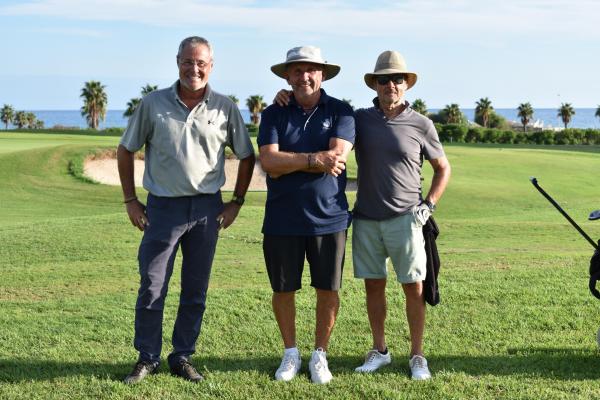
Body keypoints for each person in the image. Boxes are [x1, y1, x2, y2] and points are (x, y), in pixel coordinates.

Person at [117, 36, 255, 384]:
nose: (194, 69)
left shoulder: (225, 107)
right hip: (162, 209)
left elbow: (246, 154)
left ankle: (182, 356)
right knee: (152, 285)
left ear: (211, 65)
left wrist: (236, 202)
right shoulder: (153, 103)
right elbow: (125, 149)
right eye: (188, 62)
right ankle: (147, 357)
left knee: (195, 289)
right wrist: (131, 200)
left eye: (201, 63)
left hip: (207, 210)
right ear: (178, 61)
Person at [257, 46, 355, 384]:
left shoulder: (341, 111)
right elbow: (269, 162)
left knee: (328, 290)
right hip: (282, 218)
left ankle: (319, 355)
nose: (304, 76)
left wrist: (291, 162)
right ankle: (290, 354)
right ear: (287, 76)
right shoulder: (273, 113)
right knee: (283, 289)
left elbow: (337, 158)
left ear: (323, 74)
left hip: (329, 218)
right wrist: (314, 161)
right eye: (297, 71)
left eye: (311, 70)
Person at [352, 50, 451, 379]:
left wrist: (430, 204)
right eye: (384, 79)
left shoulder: (422, 124)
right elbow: (327, 118)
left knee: (414, 287)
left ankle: (417, 355)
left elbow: (442, 168)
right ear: (375, 84)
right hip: (366, 219)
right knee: (373, 286)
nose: (390, 84)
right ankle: (379, 350)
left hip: (406, 218)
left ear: (406, 84)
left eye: (397, 79)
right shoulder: (360, 119)